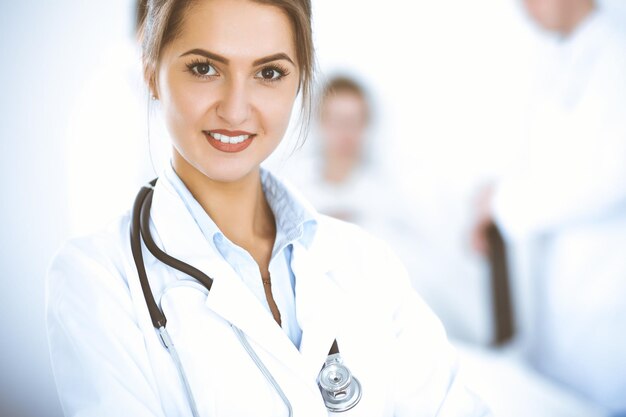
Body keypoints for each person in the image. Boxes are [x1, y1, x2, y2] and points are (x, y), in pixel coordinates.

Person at [46, 0, 490, 416]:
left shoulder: (369, 264)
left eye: (269, 73)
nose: (236, 110)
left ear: (300, 81)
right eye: (204, 68)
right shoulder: (96, 280)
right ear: (150, 70)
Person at [472, 0, 626, 414]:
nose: (523, 8)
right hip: (561, 285)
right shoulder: (565, 57)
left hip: (605, 280)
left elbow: (611, 176)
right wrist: (495, 192)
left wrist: (504, 204)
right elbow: (546, 159)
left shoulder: (618, 58)